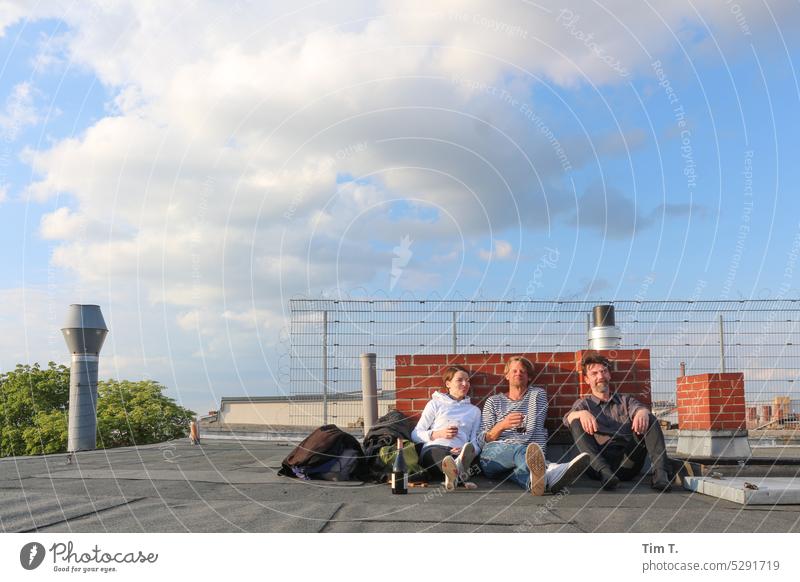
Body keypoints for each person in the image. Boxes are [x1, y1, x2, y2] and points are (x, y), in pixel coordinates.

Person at [478, 356, 590, 495]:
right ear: (506, 375)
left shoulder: (537, 394)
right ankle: (550, 469)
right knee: (520, 452)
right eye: (514, 371)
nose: (518, 373)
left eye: (522, 371)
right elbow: (484, 440)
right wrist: (502, 425)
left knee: (522, 475)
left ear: (529, 377)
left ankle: (538, 482)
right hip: (494, 457)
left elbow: (533, 429)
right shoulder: (493, 401)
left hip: (526, 459)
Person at [564, 352, 673, 491]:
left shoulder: (625, 401)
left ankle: (661, 474)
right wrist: (580, 413)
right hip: (597, 464)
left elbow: (639, 409)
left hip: (626, 461)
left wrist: (642, 412)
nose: (600, 376)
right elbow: (567, 419)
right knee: (575, 421)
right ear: (586, 379)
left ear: (609, 375)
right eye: (594, 373)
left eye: (603, 371)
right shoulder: (584, 404)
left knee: (648, 417)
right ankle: (605, 473)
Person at [411, 366, 482, 490]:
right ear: (448, 384)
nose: (465, 384)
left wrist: (468, 451)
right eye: (460, 380)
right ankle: (458, 474)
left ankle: (455, 472)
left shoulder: (474, 411)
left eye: (467, 380)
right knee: (445, 458)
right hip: (434, 448)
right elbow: (415, 434)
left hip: (459, 451)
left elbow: (476, 441)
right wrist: (439, 434)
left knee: (457, 459)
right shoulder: (435, 404)